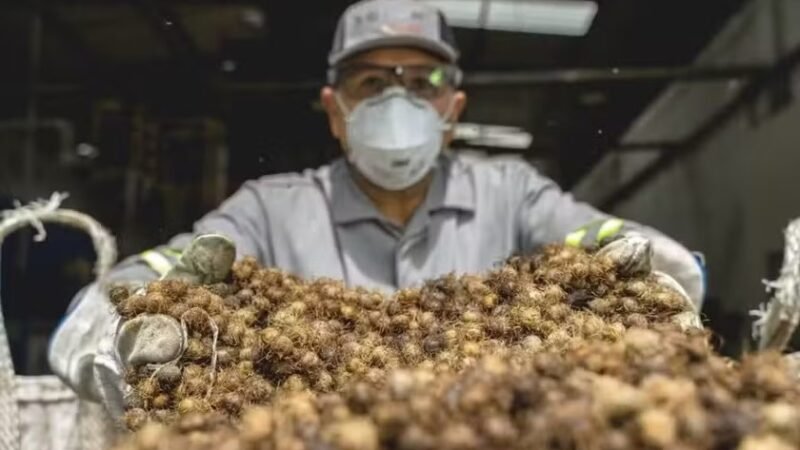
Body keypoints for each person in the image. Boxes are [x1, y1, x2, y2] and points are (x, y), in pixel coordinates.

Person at [49, 0, 704, 419]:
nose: (399, 99)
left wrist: (660, 275)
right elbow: (134, 288)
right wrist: (123, 335)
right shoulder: (268, 210)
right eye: (372, 82)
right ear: (335, 112)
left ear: (453, 111)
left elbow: (608, 242)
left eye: (423, 82)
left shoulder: (513, 192)